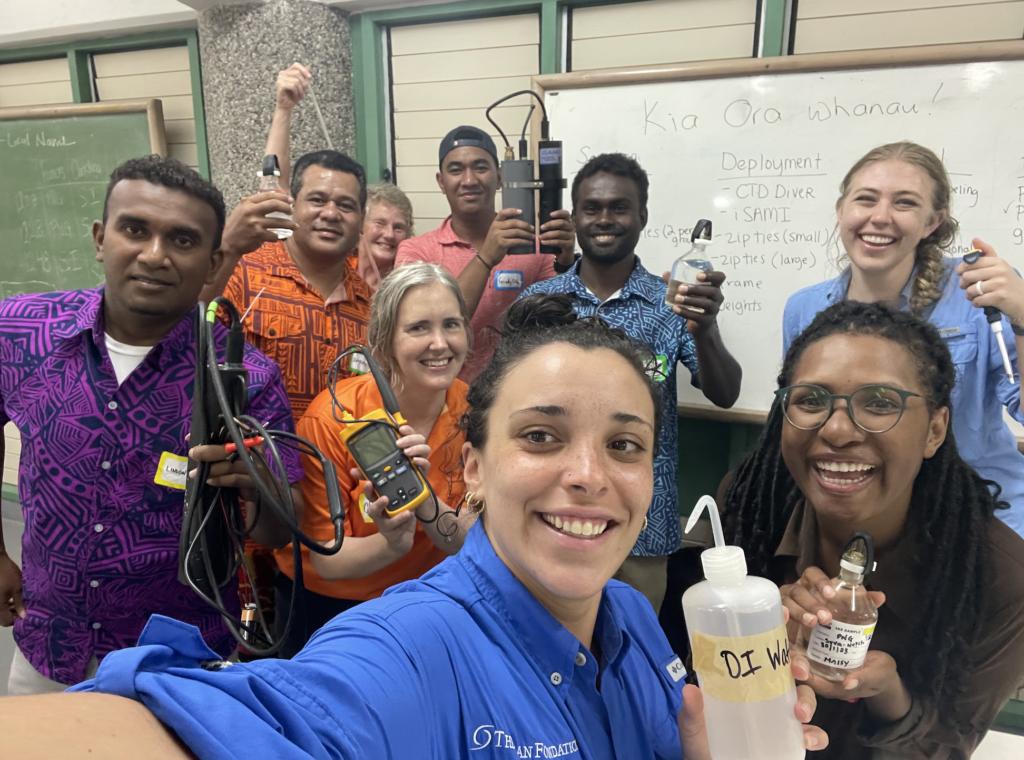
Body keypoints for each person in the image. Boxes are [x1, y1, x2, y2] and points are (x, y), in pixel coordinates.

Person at [1, 294, 827, 759]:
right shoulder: (409, 652)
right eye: (540, 436)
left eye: (625, 444)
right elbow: (273, 723)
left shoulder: (634, 625)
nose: (588, 473)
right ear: (472, 466)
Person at [0, 156, 303, 694]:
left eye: (182, 241)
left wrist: (258, 485)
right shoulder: (23, 332)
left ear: (213, 265)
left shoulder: (246, 380)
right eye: (135, 230)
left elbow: (280, 529)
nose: (155, 255)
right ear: (100, 238)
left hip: (180, 663)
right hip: (50, 647)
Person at [724, 300, 1024, 759]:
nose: (839, 430)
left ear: (935, 430)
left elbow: (947, 747)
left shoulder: (998, 577)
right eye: (810, 400)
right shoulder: (745, 509)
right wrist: (755, 640)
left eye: (881, 402)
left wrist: (889, 698)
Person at [521, 153, 742, 614]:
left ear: (642, 215)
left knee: (635, 659)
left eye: (619, 207)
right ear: (575, 215)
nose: (604, 219)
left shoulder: (673, 304)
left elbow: (725, 394)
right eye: (592, 208)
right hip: (554, 514)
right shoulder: (538, 304)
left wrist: (706, 330)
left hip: (643, 527)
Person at [783, 141, 1024, 537]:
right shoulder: (804, 309)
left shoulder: (977, 294)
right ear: (842, 210)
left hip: (979, 518)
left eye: (905, 203)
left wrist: (1023, 318)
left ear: (933, 222)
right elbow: (799, 421)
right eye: (866, 199)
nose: (880, 217)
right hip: (868, 519)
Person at [274, 262, 477, 656]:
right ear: (383, 342)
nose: (440, 343)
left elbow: (466, 543)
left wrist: (424, 500)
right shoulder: (333, 418)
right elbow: (328, 561)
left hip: (423, 599)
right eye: (419, 328)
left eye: (451, 324)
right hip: (330, 606)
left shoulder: (472, 411)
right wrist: (392, 545)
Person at [395, 125, 577, 381]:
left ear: (500, 176)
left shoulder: (535, 247)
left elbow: (564, 325)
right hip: (444, 401)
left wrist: (567, 261)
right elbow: (428, 327)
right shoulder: (417, 251)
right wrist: (485, 258)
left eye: (480, 168)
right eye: (456, 170)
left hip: (518, 397)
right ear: (441, 181)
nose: (469, 180)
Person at [230, 63, 414, 292]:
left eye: (346, 205)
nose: (330, 213)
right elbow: (274, 185)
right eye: (317, 200)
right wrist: (283, 109)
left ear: (359, 216)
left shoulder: (379, 294)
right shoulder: (254, 272)